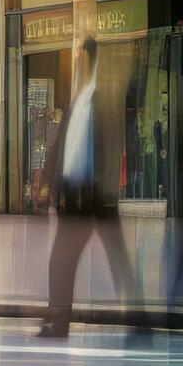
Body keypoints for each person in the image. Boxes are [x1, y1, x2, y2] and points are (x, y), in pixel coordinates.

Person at [41, 37, 137, 338]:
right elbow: (63, 145)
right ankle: (58, 324)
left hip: (97, 196)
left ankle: (139, 322)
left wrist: (109, 190)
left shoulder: (101, 97)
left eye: (78, 54)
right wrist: (48, 180)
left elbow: (112, 145)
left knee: (118, 262)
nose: (75, 60)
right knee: (60, 261)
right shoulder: (77, 98)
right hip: (74, 195)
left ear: (87, 57)